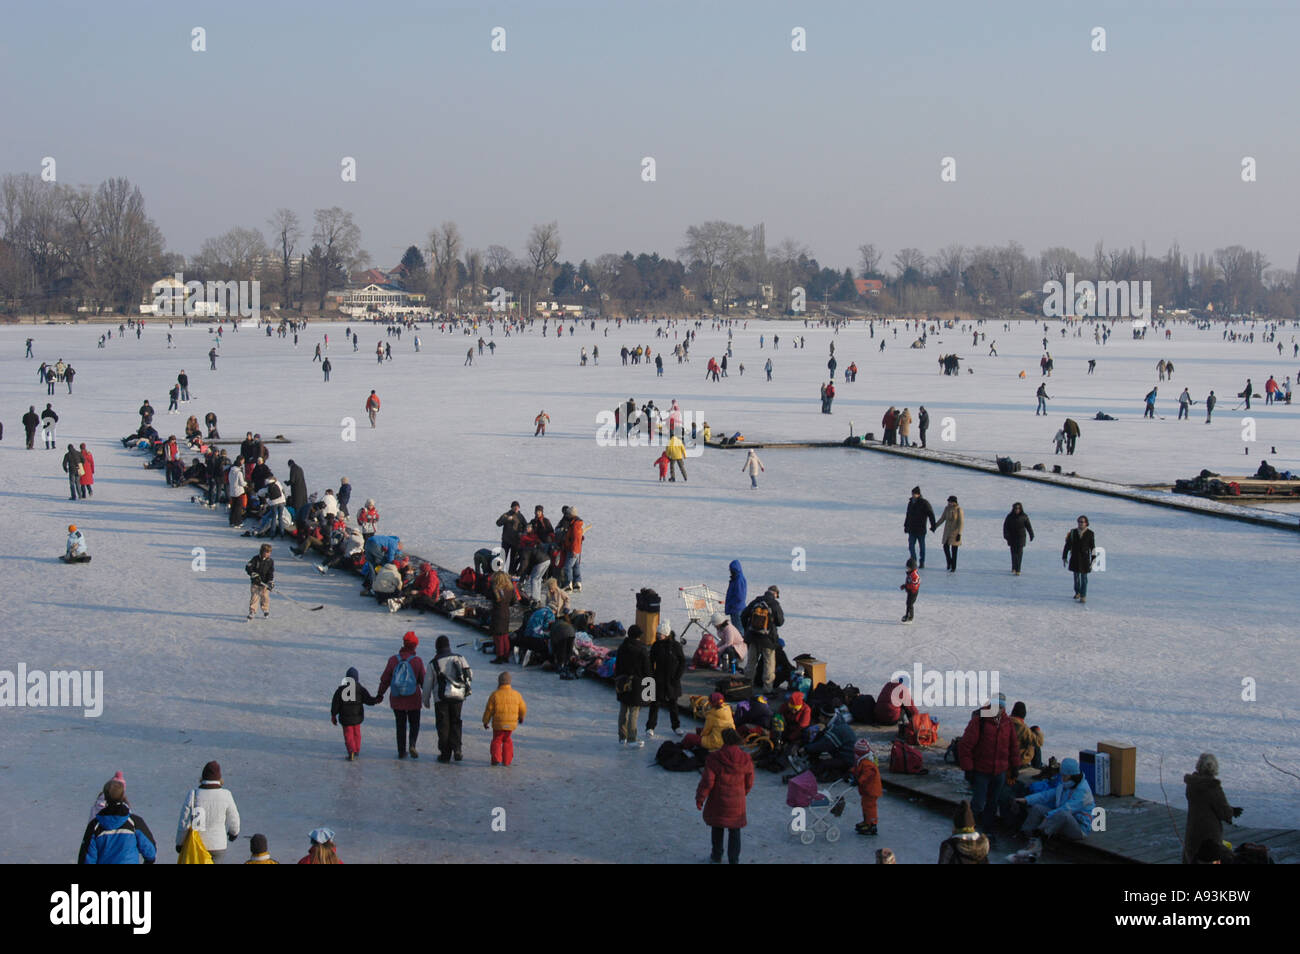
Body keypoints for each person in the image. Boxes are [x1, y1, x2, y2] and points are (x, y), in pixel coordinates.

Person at [957, 694, 1020, 836]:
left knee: (992, 803)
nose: (1000, 710)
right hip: (981, 771)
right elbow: (965, 746)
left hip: (1000, 772)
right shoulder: (979, 721)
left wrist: (1015, 766)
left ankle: (988, 830)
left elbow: (1013, 746)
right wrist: (968, 768)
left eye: (1002, 707)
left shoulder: (1007, 723)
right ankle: (968, 828)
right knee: (978, 803)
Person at [695, 728, 753, 864]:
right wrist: (743, 792)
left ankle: (716, 856)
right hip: (737, 801)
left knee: (717, 827)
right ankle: (734, 860)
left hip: (718, 800)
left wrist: (700, 797)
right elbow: (749, 780)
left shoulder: (715, 758)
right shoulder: (745, 758)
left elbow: (708, 781)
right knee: (735, 831)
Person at [1015, 756, 1094, 843]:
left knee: (1063, 814)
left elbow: (1067, 809)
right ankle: (1026, 833)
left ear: (1073, 775)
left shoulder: (1083, 791)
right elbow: (1046, 795)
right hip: (1060, 819)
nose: (1062, 778)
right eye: (1062, 775)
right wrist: (1026, 800)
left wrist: (1048, 816)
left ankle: (1039, 838)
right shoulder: (1065, 783)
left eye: (1065, 776)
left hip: (1079, 828)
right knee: (1037, 808)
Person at [79, 778, 157, 864]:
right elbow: (151, 853)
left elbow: (87, 859)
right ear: (123, 795)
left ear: (105, 796)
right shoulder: (134, 822)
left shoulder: (95, 825)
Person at [175, 761, 240, 863]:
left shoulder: (194, 794)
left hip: (198, 844)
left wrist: (180, 843)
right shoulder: (226, 795)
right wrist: (233, 833)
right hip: (218, 845)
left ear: (203, 777)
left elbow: (184, 822)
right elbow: (234, 817)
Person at [1181, 753, 1241, 864]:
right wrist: (1232, 812)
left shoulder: (1192, 784)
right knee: (1208, 858)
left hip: (1192, 830)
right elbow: (1224, 812)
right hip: (1209, 834)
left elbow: (1203, 803)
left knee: (1191, 857)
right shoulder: (1213, 787)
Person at [422, 634, 473, 762]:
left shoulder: (433, 663)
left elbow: (427, 683)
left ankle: (445, 754)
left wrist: (426, 700)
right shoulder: (460, 658)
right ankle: (457, 749)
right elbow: (469, 674)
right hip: (458, 696)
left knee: (443, 725)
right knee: (456, 721)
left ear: (437, 647)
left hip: (441, 699)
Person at [377, 631, 426, 758]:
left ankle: (401, 751)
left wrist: (380, 694)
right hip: (414, 699)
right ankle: (412, 745)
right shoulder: (417, 661)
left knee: (400, 725)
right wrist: (428, 696)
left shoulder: (393, 660)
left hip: (397, 698)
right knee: (414, 723)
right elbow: (423, 681)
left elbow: (385, 679)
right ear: (415, 645)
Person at [330, 666, 381, 760]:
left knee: (348, 734)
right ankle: (356, 750)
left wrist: (333, 715)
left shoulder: (340, 690)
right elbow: (368, 700)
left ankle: (351, 751)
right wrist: (376, 700)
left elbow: (335, 704)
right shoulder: (360, 688)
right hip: (357, 717)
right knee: (357, 733)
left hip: (345, 718)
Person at [646, 619, 685, 737]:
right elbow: (650, 661)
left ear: (666, 634)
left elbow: (682, 662)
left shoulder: (676, 646)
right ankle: (650, 727)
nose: (657, 636)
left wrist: (677, 677)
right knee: (655, 704)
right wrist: (651, 675)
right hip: (659, 679)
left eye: (660, 634)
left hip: (672, 680)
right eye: (657, 634)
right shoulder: (656, 646)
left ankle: (676, 726)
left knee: (673, 704)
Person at [740, 585, 784, 690]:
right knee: (769, 664)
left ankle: (747, 685)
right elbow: (780, 622)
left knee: (751, 662)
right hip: (768, 639)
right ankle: (768, 689)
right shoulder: (774, 604)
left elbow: (743, 615)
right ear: (776, 594)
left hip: (753, 637)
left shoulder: (757, 600)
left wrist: (748, 629)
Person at [615, 624, 651, 746]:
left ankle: (622, 737)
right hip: (636, 684)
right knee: (634, 712)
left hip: (622, 682)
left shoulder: (622, 647)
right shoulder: (641, 650)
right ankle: (632, 738)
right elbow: (647, 670)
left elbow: (617, 665)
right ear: (638, 636)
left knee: (623, 710)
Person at [482, 671, 526, 766]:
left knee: (497, 740)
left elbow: (489, 710)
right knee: (507, 740)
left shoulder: (495, 694)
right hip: (510, 725)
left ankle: (496, 758)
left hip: (498, 724)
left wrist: (485, 721)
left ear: (499, 682)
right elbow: (522, 708)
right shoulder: (517, 694)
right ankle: (507, 761)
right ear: (510, 682)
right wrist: (521, 717)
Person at [488, 556, 518, 663]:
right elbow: (514, 601)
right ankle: (505, 655)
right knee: (505, 635)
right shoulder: (510, 589)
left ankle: (499, 656)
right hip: (506, 613)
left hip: (497, 614)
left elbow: (490, 597)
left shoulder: (496, 589)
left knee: (498, 636)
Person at [851, 738, 882, 836]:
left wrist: (858, 780)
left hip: (871, 790)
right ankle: (866, 821)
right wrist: (850, 772)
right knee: (865, 805)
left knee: (870, 807)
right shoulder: (863, 760)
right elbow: (858, 769)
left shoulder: (867, 763)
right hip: (867, 790)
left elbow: (866, 774)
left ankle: (872, 824)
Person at [1062, 515, 1096, 603]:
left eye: (1082, 522)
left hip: (1084, 558)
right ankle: (1077, 592)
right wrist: (1064, 556)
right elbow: (1068, 545)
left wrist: (1093, 558)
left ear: (1086, 523)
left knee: (1084, 578)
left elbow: (1092, 547)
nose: (1080, 523)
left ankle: (1083, 595)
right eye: (1079, 522)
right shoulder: (1073, 532)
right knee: (1076, 577)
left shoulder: (1090, 533)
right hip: (1075, 557)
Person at [904, 486, 936, 568]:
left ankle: (922, 562)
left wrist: (933, 525)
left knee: (922, 546)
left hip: (921, 529)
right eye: (912, 494)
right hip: (912, 529)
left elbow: (931, 514)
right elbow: (908, 515)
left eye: (915, 494)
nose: (913, 495)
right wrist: (906, 525)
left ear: (918, 494)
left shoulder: (924, 503)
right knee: (911, 546)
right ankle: (913, 561)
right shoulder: (910, 503)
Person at [1002, 502, 1034, 575]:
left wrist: (1031, 534)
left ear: (1021, 509)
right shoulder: (1009, 517)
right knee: (1013, 554)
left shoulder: (1024, 516)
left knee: (1019, 554)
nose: (1017, 510)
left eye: (1018, 508)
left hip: (1021, 537)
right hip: (1012, 538)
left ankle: (1018, 569)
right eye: (1016, 508)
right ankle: (1014, 567)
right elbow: (1005, 527)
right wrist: (1006, 535)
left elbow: (1028, 526)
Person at [934, 495, 964, 572]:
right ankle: (949, 562)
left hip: (955, 533)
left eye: (950, 502)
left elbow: (961, 523)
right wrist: (935, 526)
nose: (949, 503)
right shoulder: (947, 509)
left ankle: (953, 567)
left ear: (954, 502)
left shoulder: (959, 510)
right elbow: (942, 518)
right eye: (948, 502)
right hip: (947, 532)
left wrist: (959, 534)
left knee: (954, 550)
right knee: (945, 547)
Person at [245, 543, 274, 619]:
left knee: (265, 597)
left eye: (269, 553)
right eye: (266, 552)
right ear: (262, 551)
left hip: (265, 583)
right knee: (255, 597)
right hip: (256, 583)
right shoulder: (255, 559)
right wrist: (253, 574)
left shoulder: (270, 561)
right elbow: (248, 567)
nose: (268, 554)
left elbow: (270, 572)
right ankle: (252, 611)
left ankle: (265, 609)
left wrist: (270, 581)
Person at [724, 559, 747, 632]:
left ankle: (741, 643)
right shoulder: (737, 578)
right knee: (738, 629)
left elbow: (740, 596)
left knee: (739, 630)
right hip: (736, 608)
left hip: (737, 609)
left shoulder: (738, 580)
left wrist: (731, 604)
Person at [900, 558, 920, 623]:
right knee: (908, 603)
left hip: (913, 592)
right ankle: (907, 615)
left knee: (910, 604)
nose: (907, 569)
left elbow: (914, 585)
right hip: (910, 591)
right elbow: (909, 582)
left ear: (912, 567)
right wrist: (905, 586)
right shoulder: (910, 573)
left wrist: (906, 586)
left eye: (908, 568)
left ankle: (910, 617)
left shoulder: (915, 575)